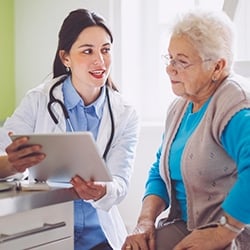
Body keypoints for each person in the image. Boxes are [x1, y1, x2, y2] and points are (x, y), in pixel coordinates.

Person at [0, 8, 139, 250]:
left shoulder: (125, 113)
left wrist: (100, 190)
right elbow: (3, 155)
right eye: (88, 51)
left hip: (100, 237)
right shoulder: (38, 100)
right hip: (47, 229)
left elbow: (120, 183)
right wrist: (13, 163)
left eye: (105, 50)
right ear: (65, 58)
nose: (100, 61)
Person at [122, 9, 250, 250]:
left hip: (233, 234)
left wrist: (222, 232)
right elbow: (160, 170)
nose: (170, 69)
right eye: (170, 58)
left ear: (217, 67)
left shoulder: (234, 105)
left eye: (182, 61)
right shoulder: (181, 105)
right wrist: (145, 221)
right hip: (186, 226)